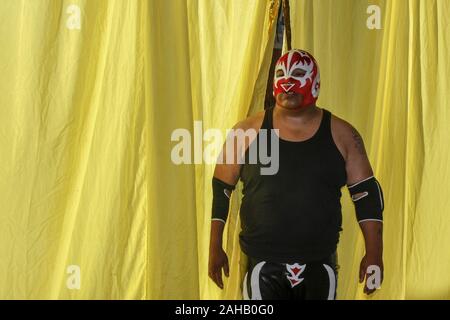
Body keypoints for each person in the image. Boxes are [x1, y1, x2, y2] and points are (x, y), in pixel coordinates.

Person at [208, 49, 384, 300]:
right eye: (281, 73)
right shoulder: (245, 132)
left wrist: (374, 252)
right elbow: (221, 190)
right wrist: (215, 246)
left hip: (319, 262)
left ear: (316, 82)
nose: (288, 81)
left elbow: (366, 196)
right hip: (261, 263)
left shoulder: (344, 135)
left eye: (299, 73)